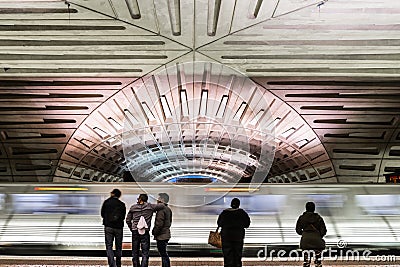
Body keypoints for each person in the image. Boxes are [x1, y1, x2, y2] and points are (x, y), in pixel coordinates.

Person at [126, 193, 165, 267]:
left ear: (139, 199)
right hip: (145, 232)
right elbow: (162, 205)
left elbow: (128, 220)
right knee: (145, 252)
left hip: (135, 231)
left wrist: (132, 228)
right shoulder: (150, 207)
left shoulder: (133, 207)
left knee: (135, 252)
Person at [217, 198, 251, 267]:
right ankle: (237, 265)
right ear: (239, 204)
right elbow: (247, 224)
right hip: (238, 237)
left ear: (231, 204)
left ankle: (228, 265)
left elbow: (219, 223)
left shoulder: (224, 213)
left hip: (226, 237)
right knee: (237, 253)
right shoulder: (242, 213)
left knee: (227, 254)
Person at [296, 202, 327, 267]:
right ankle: (317, 262)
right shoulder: (319, 218)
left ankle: (306, 262)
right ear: (314, 208)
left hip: (305, 241)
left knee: (306, 260)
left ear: (306, 208)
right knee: (318, 260)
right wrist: (318, 235)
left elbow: (298, 230)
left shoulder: (302, 218)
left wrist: (304, 234)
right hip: (317, 241)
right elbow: (323, 231)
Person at [101, 188, 126, 267]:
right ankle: (118, 264)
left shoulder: (106, 202)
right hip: (119, 228)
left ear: (113, 194)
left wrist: (107, 219)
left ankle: (112, 264)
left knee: (109, 246)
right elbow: (123, 217)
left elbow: (102, 214)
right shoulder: (122, 204)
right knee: (119, 246)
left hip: (108, 227)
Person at [152, 193, 172, 267]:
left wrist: (154, 232)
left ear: (162, 200)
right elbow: (169, 222)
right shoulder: (168, 209)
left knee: (163, 254)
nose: (157, 200)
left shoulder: (161, 210)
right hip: (166, 234)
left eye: (159, 198)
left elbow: (159, 224)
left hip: (161, 235)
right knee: (163, 253)